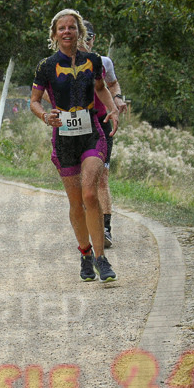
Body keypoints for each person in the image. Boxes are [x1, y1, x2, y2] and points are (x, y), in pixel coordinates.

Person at [30, 9, 120, 283]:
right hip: (64, 138)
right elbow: (34, 101)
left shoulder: (93, 61)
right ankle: (85, 253)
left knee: (90, 194)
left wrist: (113, 109)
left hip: (92, 133)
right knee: (76, 201)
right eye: (62, 28)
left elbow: (102, 87)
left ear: (79, 32)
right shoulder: (46, 66)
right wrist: (45, 116)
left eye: (72, 27)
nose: (67, 32)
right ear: (55, 34)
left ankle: (102, 260)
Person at [80, 21, 128, 248]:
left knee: (102, 178)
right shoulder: (59, 63)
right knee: (81, 180)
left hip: (102, 121)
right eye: (82, 36)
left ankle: (105, 229)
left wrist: (117, 99)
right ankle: (88, 225)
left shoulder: (103, 62)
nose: (85, 41)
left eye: (89, 37)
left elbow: (113, 84)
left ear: (94, 38)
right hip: (76, 125)